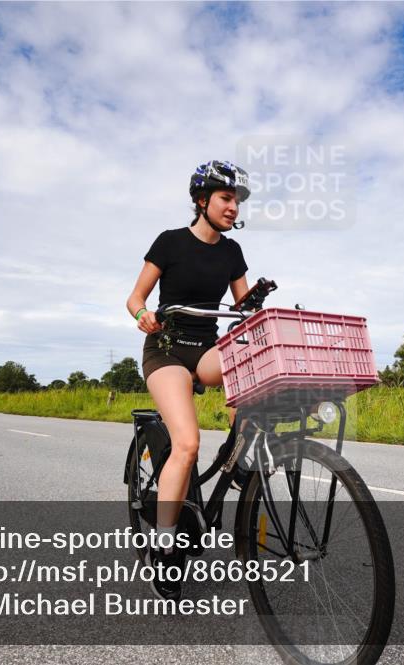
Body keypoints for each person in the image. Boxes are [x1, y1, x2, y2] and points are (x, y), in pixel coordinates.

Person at [126, 160, 251, 601]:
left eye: (236, 201)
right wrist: (144, 316)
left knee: (249, 357)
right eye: (226, 198)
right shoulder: (170, 242)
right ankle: (164, 542)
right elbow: (135, 296)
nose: (233, 207)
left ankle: (236, 457)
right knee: (187, 444)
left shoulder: (232, 253)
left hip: (206, 348)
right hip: (166, 347)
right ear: (202, 200)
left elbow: (243, 310)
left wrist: (259, 310)